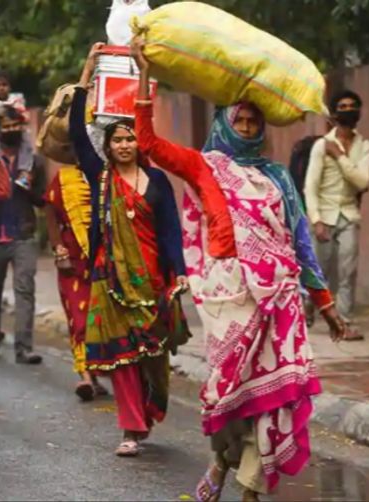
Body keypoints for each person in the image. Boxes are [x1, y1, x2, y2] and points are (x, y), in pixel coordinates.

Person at [131, 38, 348, 501]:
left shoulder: (277, 176)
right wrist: (145, 72)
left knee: (275, 396)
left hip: (278, 299)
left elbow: (300, 239)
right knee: (227, 394)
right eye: (240, 120)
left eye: (253, 122)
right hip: (227, 300)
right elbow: (146, 143)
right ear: (225, 124)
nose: (247, 127)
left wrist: (325, 302)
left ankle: (250, 487)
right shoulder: (204, 166)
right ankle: (220, 459)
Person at [70, 43, 190, 457]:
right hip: (110, 277)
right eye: (117, 139)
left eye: (130, 138)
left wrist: (181, 273)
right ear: (108, 146)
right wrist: (87, 71)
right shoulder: (100, 178)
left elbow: (171, 231)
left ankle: (149, 409)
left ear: (139, 142)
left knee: (152, 357)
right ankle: (131, 427)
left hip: (152, 279)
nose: (124, 145)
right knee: (121, 358)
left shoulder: (157, 183)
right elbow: (74, 132)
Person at [304, 90, 369, 338]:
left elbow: (363, 182)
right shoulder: (321, 146)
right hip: (324, 215)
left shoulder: (365, 146)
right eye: (342, 106)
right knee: (318, 271)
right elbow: (310, 186)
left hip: (349, 215)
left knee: (347, 271)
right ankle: (309, 304)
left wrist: (340, 156)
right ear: (335, 113)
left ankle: (342, 324)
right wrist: (316, 220)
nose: (348, 109)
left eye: (352, 106)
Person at [0, 105, 47, 364]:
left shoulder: (34, 160)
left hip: (23, 232)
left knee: (25, 290)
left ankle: (24, 347)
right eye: (5, 126)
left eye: (15, 126)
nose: (11, 130)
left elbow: (42, 200)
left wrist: (30, 186)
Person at [44, 164, 109, 401]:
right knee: (79, 317)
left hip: (104, 257)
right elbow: (49, 211)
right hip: (72, 258)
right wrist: (58, 248)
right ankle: (85, 376)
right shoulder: (63, 177)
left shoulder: (108, 173)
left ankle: (98, 371)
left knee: (101, 318)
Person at [0, 73, 34, 190]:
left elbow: (24, 116)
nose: (1, 88)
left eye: (4, 85)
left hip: (16, 128)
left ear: (9, 87)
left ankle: (24, 173)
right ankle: (0, 170)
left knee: (26, 137)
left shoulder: (16, 99)